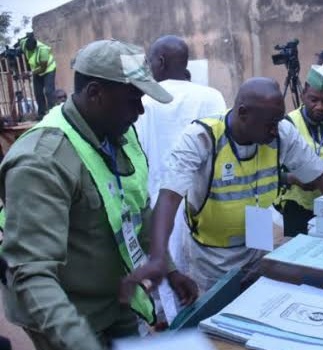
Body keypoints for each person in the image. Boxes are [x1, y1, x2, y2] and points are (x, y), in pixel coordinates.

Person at [0, 39, 197, 350]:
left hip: (117, 295)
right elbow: (32, 274)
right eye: (133, 99)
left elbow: (137, 207)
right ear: (95, 94)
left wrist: (170, 269)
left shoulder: (120, 131)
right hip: (61, 312)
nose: (140, 111)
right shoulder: (41, 161)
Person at [121, 77, 323, 295]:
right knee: (215, 315)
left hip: (258, 237)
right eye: (270, 124)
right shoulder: (202, 138)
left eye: (278, 122)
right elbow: (168, 198)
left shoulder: (280, 132)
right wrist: (160, 257)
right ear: (243, 113)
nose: (276, 131)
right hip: (212, 254)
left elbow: (321, 177)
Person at [136, 35, 226, 269]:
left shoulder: (145, 102)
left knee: (168, 271)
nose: (149, 68)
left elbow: (138, 155)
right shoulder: (212, 96)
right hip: (205, 201)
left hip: (160, 200)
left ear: (162, 61)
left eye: (151, 62)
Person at [277, 64, 323, 236]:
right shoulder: (287, 124)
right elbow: (270, 172)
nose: (320, 107)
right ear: (303, 94)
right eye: (314, 100)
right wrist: (292, 178)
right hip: (295, 208)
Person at [19, 33, 56, 118]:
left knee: (49, 91)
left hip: (48, 69)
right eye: (28, 50)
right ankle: (41, 114)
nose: (29, 52)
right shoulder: (24, 43)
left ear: (35, 47)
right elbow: (21, 51)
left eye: (31, 50)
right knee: (38, 93)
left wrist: (30, 73)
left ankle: (52, 113)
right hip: (36, 70)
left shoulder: (43, 50)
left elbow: (43, 68)